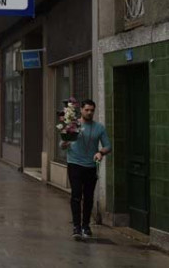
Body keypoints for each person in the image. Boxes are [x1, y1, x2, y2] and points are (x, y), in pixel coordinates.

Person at [61, 99, 111, 240]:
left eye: (92, 110)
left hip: (90, 166)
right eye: (87, 110)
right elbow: (62, 144)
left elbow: (108, 146)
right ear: (81, 110)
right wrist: (65, 143)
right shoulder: (72, 125)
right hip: (74, 164)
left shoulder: (99, 128)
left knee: (88, 197)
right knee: (76, 195)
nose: (89, 113)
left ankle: (86, 226)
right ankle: (76, 226)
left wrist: (100, 153)